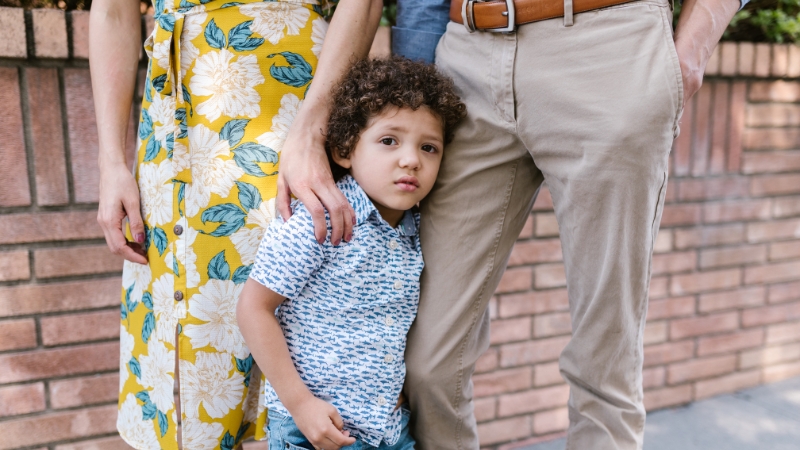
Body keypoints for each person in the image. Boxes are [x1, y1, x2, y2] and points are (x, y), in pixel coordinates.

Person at [278, 0, 749, 449]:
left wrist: (691, 49)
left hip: (606, 43)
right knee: (428, 362)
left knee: (605, 360)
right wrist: (414, 87)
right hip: (466, 54)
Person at [89, 0, 384, 447]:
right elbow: (112, 10)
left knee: (300, 314)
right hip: (177, 127)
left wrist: (311, 129)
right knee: (190, 345)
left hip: (297, 97)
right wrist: (111, 161)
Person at [236, 57, 466, 450]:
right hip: (319, 431)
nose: (411, 159)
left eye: (429, 147)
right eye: (389, 141)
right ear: (345, 149)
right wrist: (300, 404)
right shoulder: (318, 219)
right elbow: (253, 309)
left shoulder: (418, 229)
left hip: (390, 430)